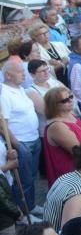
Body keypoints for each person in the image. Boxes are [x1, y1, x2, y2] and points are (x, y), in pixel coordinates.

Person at [1, 59, 42, 212]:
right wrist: (17, 145)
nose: (23, 75)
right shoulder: (4, 94)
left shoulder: (20, 89)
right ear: (8, 75)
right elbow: (2, 123)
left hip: (33, 138)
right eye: (20, 72)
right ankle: (23, 211)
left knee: (31, 177)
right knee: (23, 180)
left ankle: (31, 206)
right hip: (21, 141)